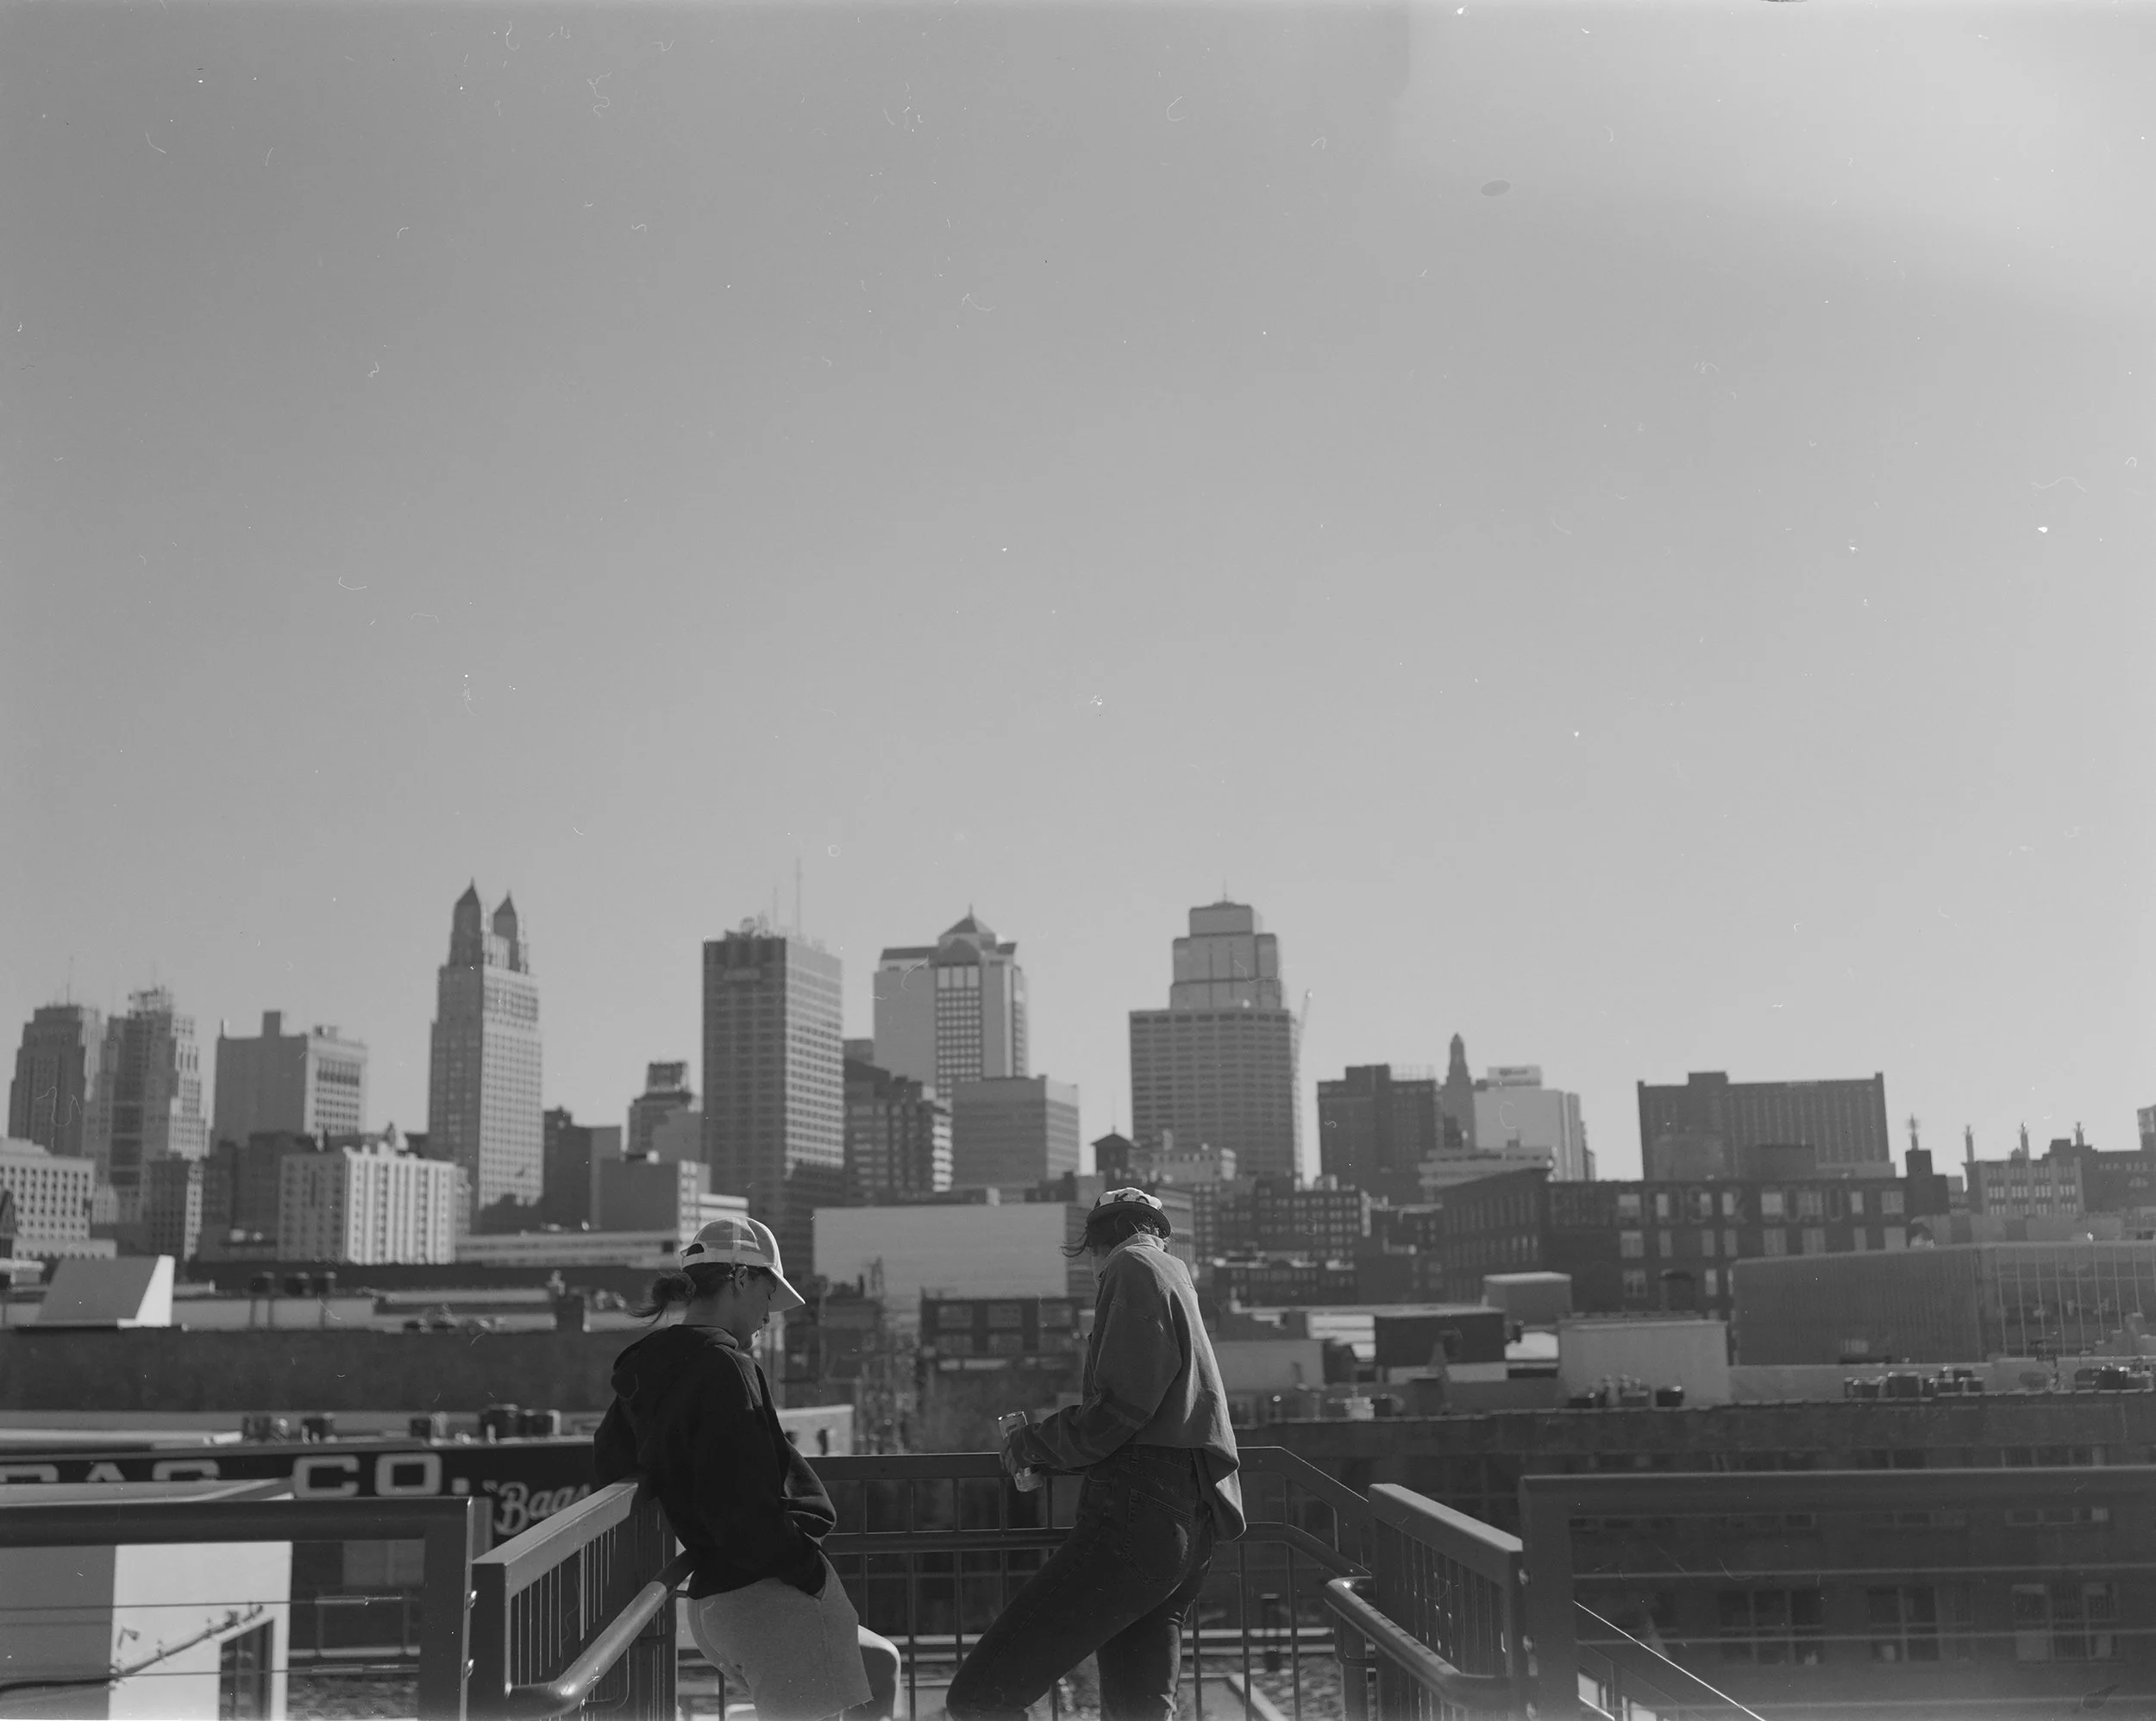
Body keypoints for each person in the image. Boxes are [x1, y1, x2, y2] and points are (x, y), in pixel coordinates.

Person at [944, 1186, 1245, 1721]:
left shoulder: (1131, 1267)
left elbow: (1121, 1408)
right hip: (1190, 1521)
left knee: (980, 1696)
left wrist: (1032, 1444)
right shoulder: (1176, 1275)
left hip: (1140, 1514)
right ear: (1160, 1233)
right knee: (1138, 1710)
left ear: (1093, 1247)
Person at [592, 1215, 895, 1721]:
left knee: (880, 1665)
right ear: (739, 1278)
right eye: (768, 1295)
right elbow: (741, 1502)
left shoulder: (646, 1367)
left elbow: (611, 1464)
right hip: (768, 1596)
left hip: (714, 1599)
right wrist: (806, 1571)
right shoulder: (726, 1367)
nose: (768, 1316)